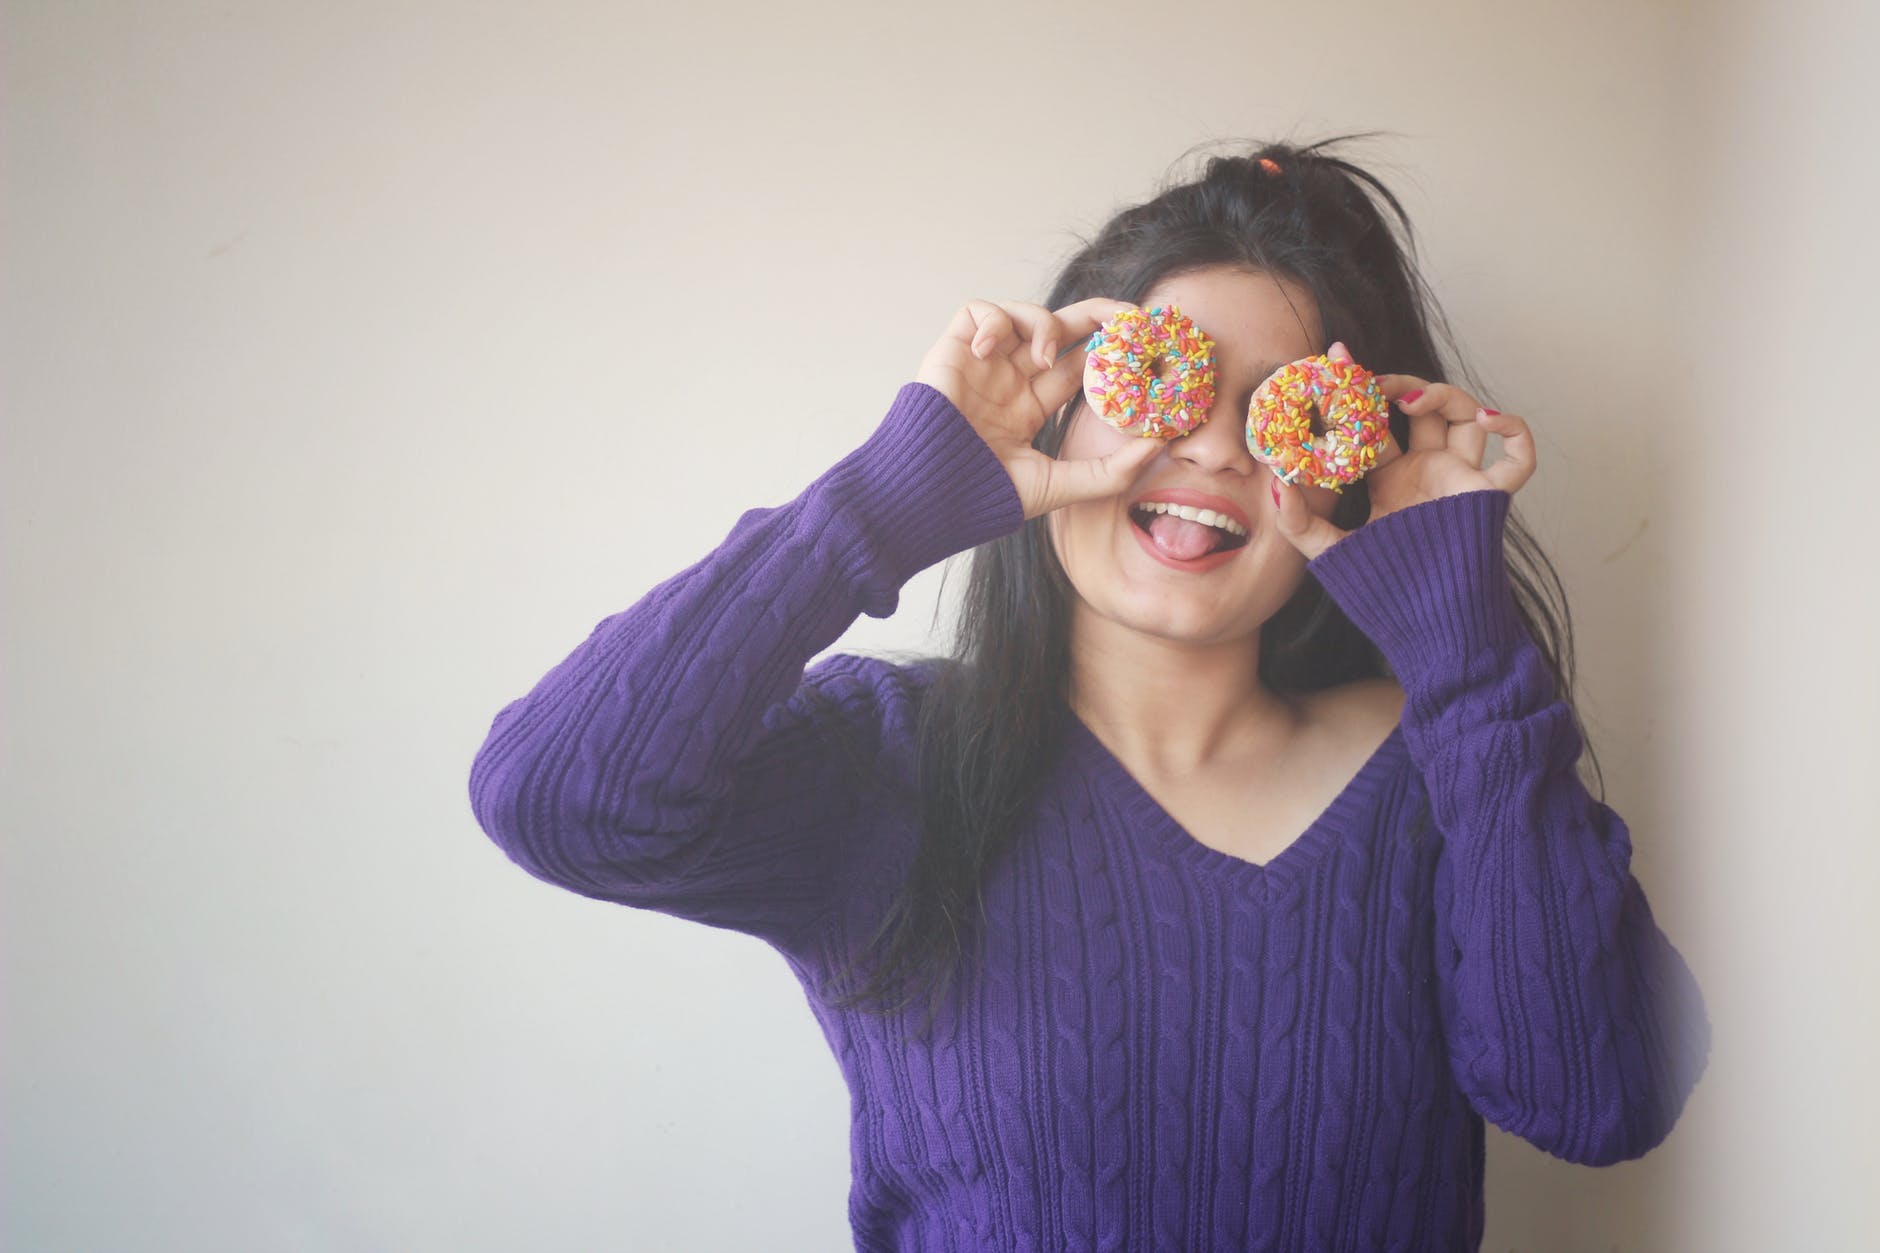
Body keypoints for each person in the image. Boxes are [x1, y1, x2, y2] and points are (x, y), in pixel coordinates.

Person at [468, 137, 1710, 1251]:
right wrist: (892, 498)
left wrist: (1462, 643)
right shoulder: (885, 764)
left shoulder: (1449, 766)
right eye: (1163, 383)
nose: (1212, 447)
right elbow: (555, 800)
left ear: (1345, 466)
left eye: (1276, 415)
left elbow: (1598, 1098)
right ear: (1058, 417)